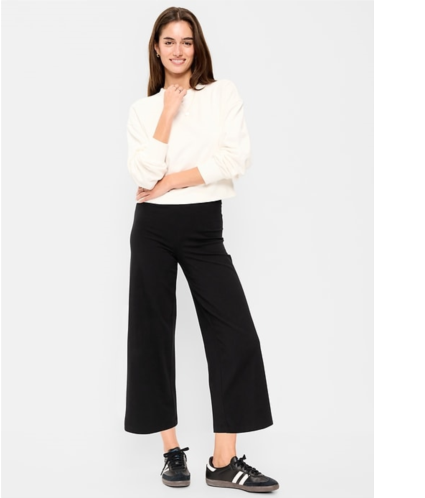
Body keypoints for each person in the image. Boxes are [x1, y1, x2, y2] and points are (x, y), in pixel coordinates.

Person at [125, 6, 279, 494]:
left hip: (203, 228)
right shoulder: (143, 110)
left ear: (198, 47)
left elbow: (237, 157)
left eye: (186, 41)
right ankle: (171, 451)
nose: (178, 50)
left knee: (235, 335)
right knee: (152, 335)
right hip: (152, 228)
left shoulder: (221, 94)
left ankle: (223, 461)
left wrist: (174, 180)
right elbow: (142, 174)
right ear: (156, 48)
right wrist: (166, 114)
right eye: (169, 41)